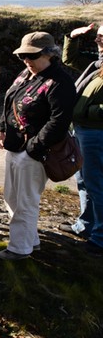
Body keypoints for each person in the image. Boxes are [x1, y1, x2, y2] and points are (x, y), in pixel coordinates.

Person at [0, 32, 75, 260]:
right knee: (12, 197)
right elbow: (10, 102)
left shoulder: (60, 82)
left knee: (25, 201)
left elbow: (59, 122)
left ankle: (20, 249)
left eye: (32, 56)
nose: (27, 60)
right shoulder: (26, 75)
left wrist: (33, 148)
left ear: (50, 54)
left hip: (36, 152)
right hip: (16, 146)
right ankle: (31, 241)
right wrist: (2, 127)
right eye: (23, 56)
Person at [60, 20, 103, 237]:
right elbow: (70, 58)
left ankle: (100, 236)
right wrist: (73, 37)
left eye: (102, 37)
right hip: (83, 130)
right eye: (98, 36)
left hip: (96, 132)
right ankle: (86, 225)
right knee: (84, 180)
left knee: (95, 183)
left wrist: (87, 111)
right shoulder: (98, 64)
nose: (98, 40)